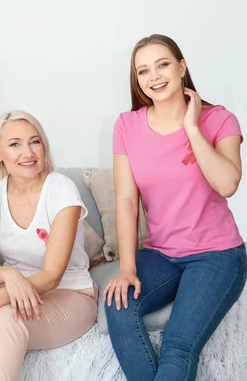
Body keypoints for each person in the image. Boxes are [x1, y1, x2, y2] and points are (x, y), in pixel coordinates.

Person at [103, 34, 245, 381]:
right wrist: (127, 267)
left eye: (163, 64)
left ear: (182, 67)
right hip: (162, 254)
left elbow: (227, 184)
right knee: (118, 305)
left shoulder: (220, 120)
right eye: (143, 71)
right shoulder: (127, 125)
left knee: (179, 345)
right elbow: (125, 200)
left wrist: (192, 128)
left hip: (217, 255)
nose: (154, 76)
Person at [0, 110, 98, 381]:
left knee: (6, 316)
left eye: (35, 141)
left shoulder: (62, 190)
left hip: (69, 294)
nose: (27, 152)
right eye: (15, 144)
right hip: (15, 287)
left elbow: (52, 276)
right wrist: (10, 275)